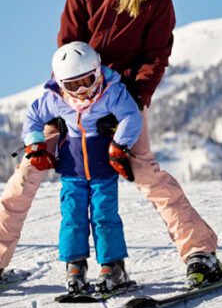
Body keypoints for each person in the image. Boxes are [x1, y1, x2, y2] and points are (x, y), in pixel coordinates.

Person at [0, 0, 222, 293]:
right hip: (75, 95)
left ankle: (200, 253)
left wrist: (130, 104)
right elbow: (68, 45)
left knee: (147, 175)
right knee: (29, 171)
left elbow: (156, 55)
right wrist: (69, 95)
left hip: (122, 102)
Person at [21, 42, 142, 294]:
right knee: (72, 217)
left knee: (104, 217)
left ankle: (112, 266)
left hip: (103, 171)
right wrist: (35, 145)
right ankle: (75, 265)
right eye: (73, 85)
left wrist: (119, 145)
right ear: (62, 84)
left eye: (87, 80)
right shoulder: (55, 100)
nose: (83, 90)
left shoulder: (111, 92)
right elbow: (33, 117)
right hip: (72, 171)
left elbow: (131, 115)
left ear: (98, 72)